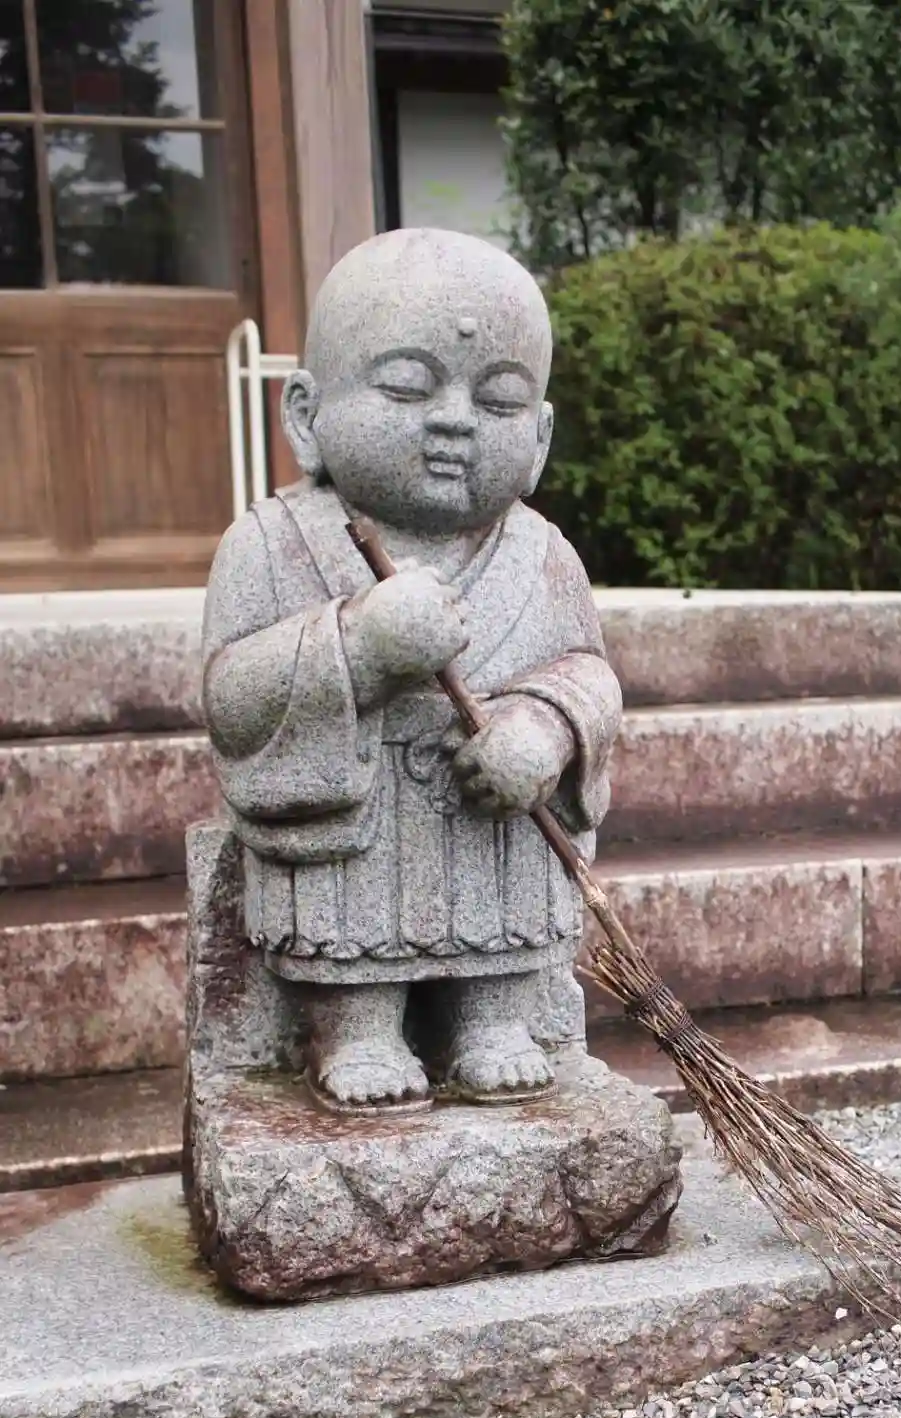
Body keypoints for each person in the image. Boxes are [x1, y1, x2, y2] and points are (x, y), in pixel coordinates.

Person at [202, 229, 621, 1107]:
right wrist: (357, 646)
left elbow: (588, 672)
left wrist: (547, 728)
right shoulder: (271, 546)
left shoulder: (542, 554)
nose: (455, 420)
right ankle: (353, 1030)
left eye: (498, 401)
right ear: (305, 414)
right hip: (352, 829)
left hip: (493, 829)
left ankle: (493, 1020)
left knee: (504, 910)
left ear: (540, 438)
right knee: (349, 931)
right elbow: (232, 699)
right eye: (405, 387)